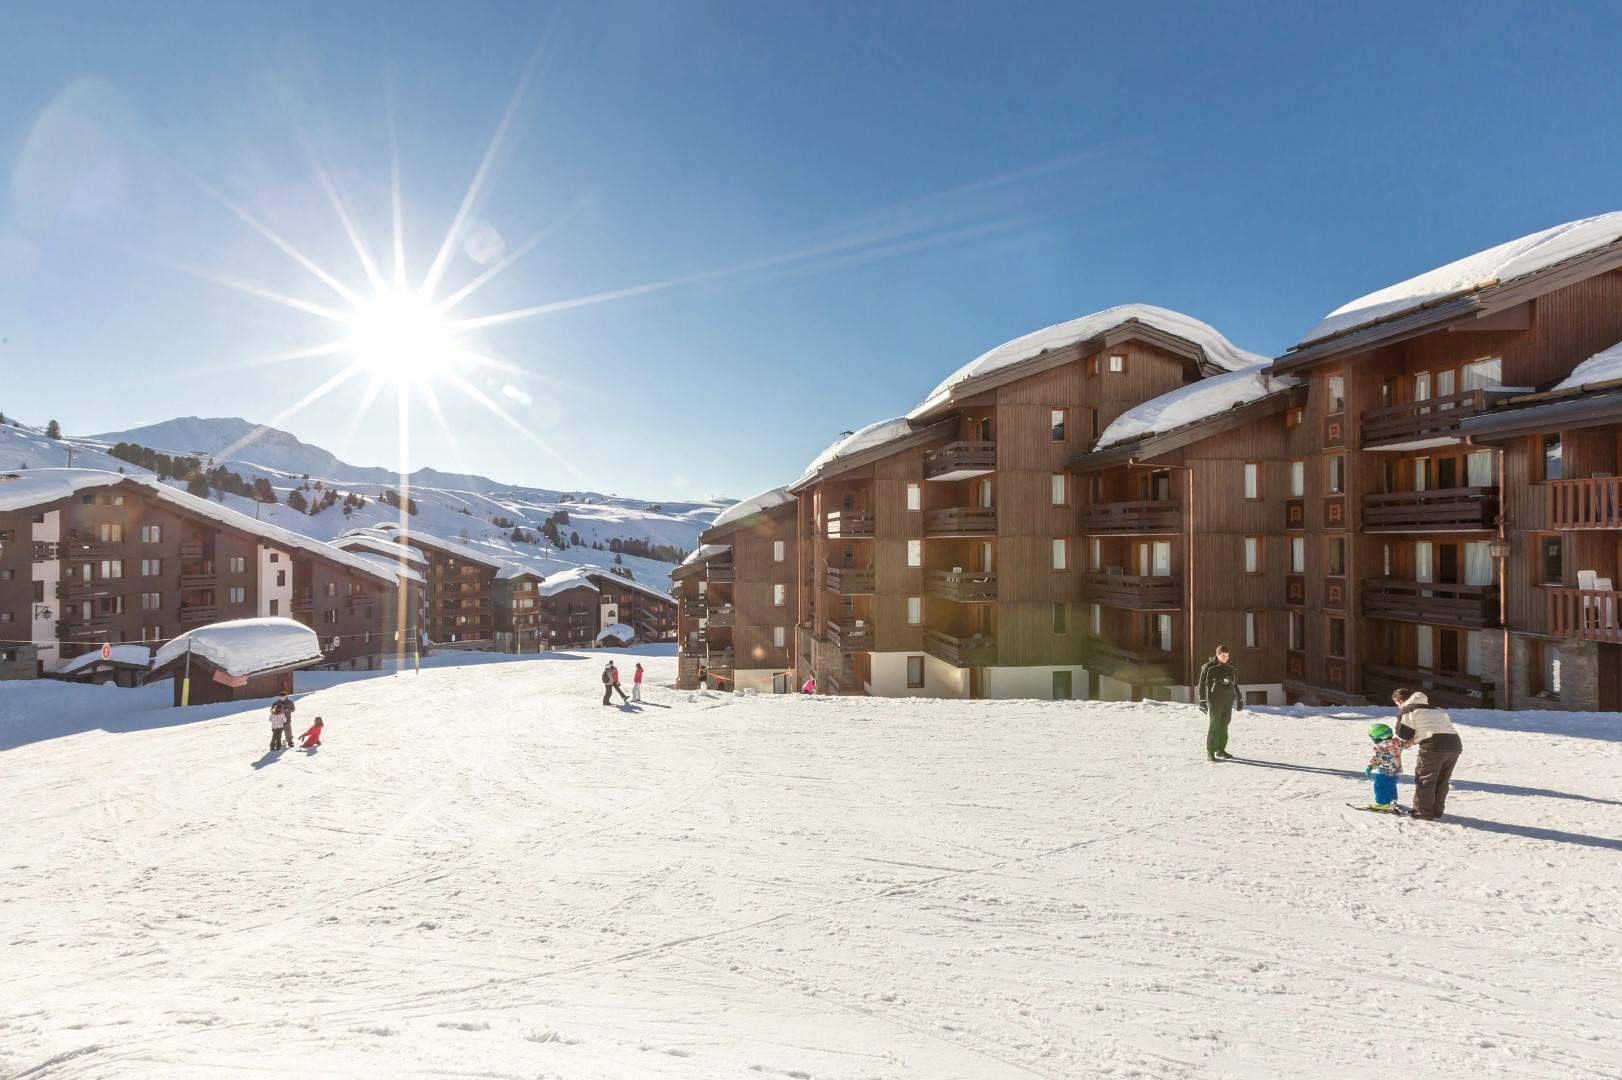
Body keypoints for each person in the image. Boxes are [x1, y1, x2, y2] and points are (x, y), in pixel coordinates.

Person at [1392, 689, 1463, 820]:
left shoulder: (1408, 708)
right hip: (1454, 745)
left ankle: (1422, 813)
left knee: (1425, 780)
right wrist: (1407, 745)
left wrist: (1401, 738)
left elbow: (1404, 733)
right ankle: (1437, 811)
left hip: (1433, 747)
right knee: (1442, 780)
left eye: (1397, 703)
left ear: (1400, 700)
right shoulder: (1435, 709)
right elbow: (1427, 730)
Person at [1197, 645, 1244, 761]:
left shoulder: (1231, 668)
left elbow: (1235, 684)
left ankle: (1220, 750)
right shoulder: (1208, 667)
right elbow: (1201, 685)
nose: (1225, 658)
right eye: (1223, 656)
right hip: (1215, 701)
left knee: (1224, 725)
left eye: (1227, 656)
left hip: (1227, 701)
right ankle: (1210, 752)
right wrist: (1202, 701)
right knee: (1214, 725)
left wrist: (1240, 699)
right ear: (1217, 655)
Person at [1362, 722, 1404, 812]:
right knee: (1391, 786)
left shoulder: (1382, 746)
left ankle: (1382, 803)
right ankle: (1392, 801)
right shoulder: (1397, 742)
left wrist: (1370, 766)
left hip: (1385, 771)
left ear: (1377, 737)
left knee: (1380, 786)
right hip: (1395, 770)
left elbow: (1377, 758)